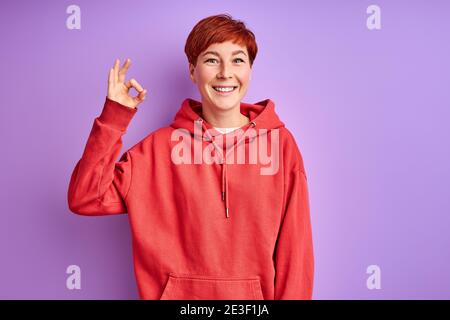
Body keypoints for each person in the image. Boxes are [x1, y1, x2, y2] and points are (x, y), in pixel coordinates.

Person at [67, 13, 314, 300]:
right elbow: (85, 197)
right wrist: (114, 117)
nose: (225, 72)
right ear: (192, 70)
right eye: (211, 59)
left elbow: (296, 252)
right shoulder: (156, 150)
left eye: (238, 60)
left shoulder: (280, 145)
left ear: (249, 70)